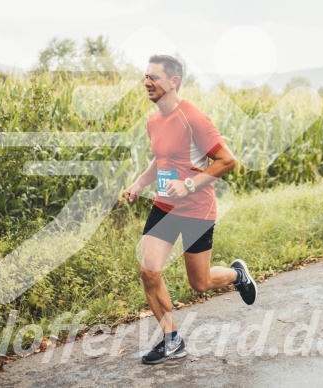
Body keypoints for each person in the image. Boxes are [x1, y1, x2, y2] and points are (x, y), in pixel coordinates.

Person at [123, 54, 258, 365]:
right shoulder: (153, 121)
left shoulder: (194, 118)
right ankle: (172, 340)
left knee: (199, 284)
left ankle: (237, 275)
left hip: (197, 209)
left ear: (174, 82)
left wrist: (189, 185)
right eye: (146, 76)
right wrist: (140, 183)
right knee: (148, 271)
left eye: (154, 77)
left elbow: (227, 160)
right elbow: (162, 159)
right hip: (164, 206)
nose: (147, 82)